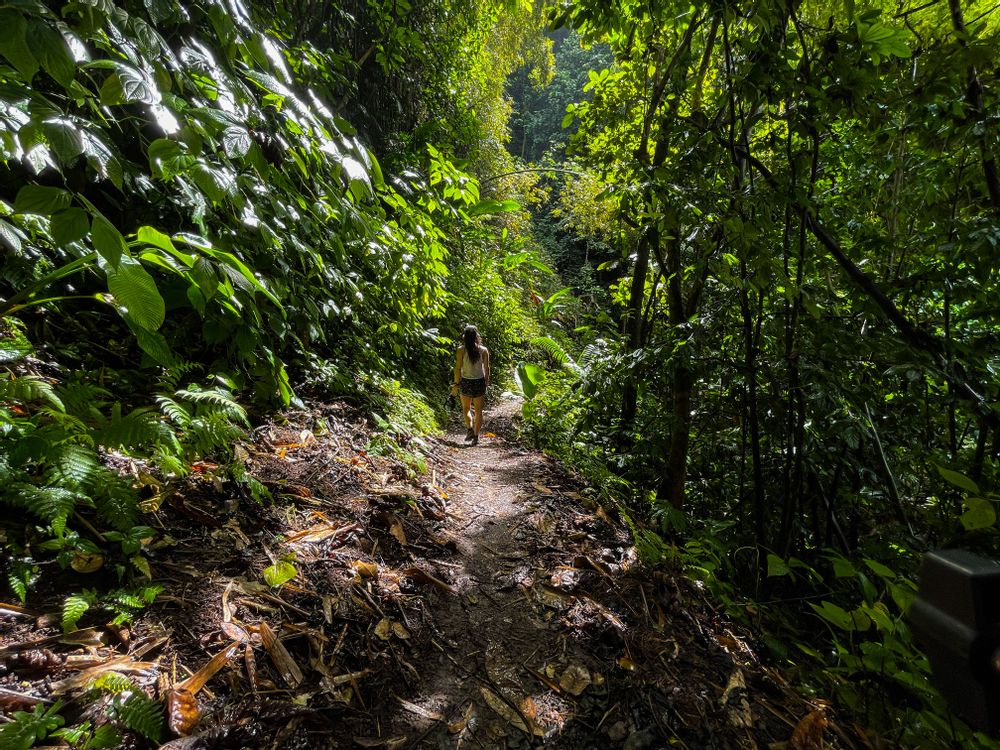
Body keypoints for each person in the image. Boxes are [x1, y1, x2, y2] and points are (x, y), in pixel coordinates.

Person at [451, 325, 489, 445]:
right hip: (479, 382)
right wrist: (486, 383)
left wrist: (456, 383)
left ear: (465, 337)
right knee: (479, 411)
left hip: (466, 381)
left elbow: (458, 368)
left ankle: (469, 429)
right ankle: (476, 437)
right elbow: (487, 369)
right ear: (476, 336)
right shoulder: (484, 350)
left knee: (466, 408)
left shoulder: (460, 350)